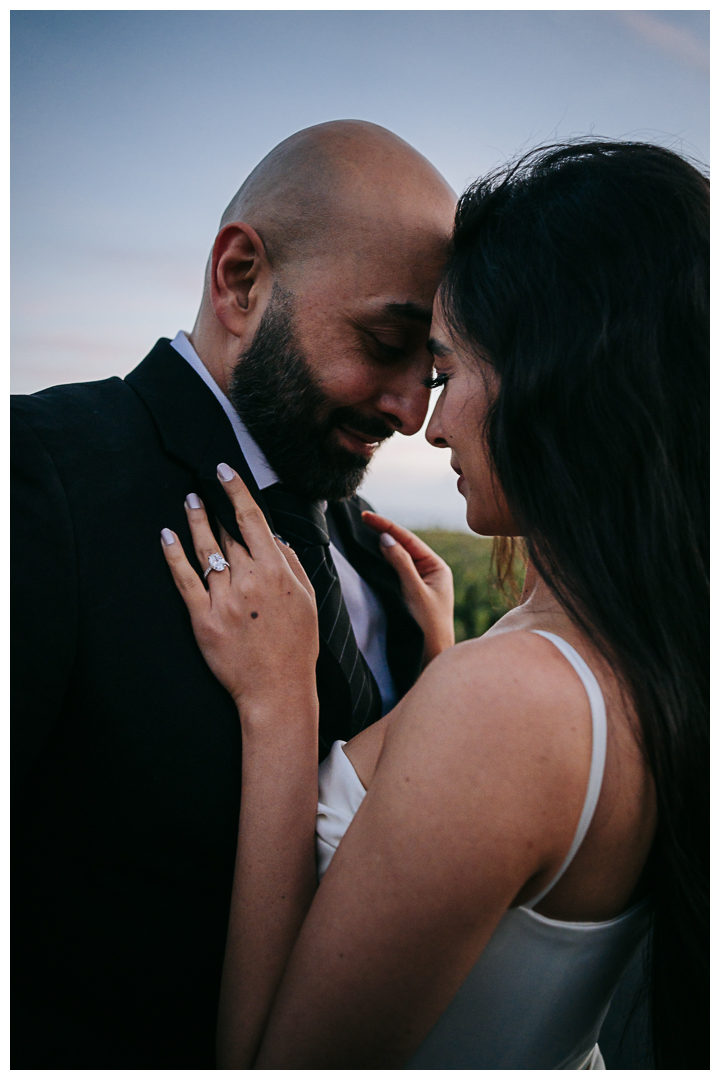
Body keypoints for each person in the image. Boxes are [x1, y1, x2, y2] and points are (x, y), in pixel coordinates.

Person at [162, 141, 709, 1069]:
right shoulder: (638, 648)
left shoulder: (511, 702)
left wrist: (281, 701)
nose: (429, 420)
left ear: (556, 374)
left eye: (449, 373)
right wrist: (445, 660)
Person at [11, 120, 457, 1067]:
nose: (412, 414)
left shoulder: (370, 542)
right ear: (242, 279)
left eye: (430, 370)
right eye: (385, 341)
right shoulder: (38, 473)